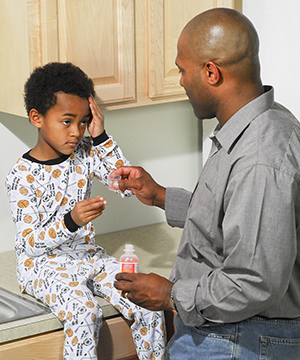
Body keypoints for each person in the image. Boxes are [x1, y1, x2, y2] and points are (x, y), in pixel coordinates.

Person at [113, 8, 300, 360]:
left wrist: (170, 294)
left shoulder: (261, 157)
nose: (181, 80)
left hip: (240, 338)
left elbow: (254, 282)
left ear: (211, 72)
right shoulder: (260, 124)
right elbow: (233, 215)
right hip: (229, 330)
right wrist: (160, 196)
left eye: (183, 70)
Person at [5, 62, 166, 360]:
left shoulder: (87, 152)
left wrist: (101, 135)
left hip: (88, 257)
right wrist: (70, 221)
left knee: (145, 301)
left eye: (82, 122)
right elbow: (29, 242)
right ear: (36, 118)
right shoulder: (21, 175)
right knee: (85, 313)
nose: (76, 132)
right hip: (42, 267)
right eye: (67, 121)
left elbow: (125, 183)